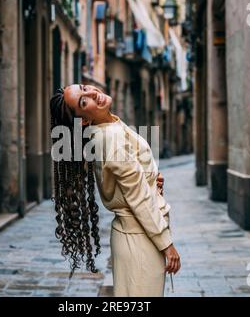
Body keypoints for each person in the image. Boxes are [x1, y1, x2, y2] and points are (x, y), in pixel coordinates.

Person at [49, 85, 181, 297]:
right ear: (83, 120)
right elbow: (138, 197)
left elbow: (133, 182)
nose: (92, 93)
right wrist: (167, 244)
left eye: (85, 88)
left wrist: (151, 180)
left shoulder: (111, 126)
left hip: (136, 235)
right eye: (84, 101)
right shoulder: (109, 138)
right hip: (140, 239)